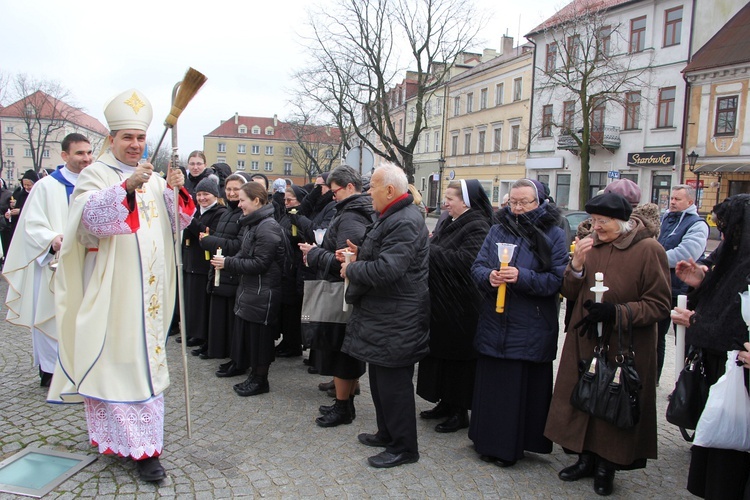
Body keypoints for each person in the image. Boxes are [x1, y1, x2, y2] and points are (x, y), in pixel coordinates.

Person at [47, 88, 195, 483]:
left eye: (140, 138)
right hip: (113, 290)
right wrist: (126, 188)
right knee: (118, 363)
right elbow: (85, 225)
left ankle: (144, 445)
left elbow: (176, 225)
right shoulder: (96, 174)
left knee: (143, 361)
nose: (135, 144)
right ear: (111, 139)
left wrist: (175, 191)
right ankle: (138, 450)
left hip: (149, 291)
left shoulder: (153, 177)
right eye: (127, 137)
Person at [545, 192, 671, 496]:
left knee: (614, 400)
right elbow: (570, 289)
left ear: (622, 221)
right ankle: (584, 456)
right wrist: (575, 265)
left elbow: (659, 304)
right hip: (587, 338)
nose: (596, 227)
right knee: (584, 394)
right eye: (594, 220)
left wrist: (618, 312)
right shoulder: (592, 246)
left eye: (603, 222)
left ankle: (607, 465)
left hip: (625, 343)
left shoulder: (648, 249)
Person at [469, 179, 568, 467]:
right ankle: (486, 440)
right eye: (512, 201)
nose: (517, 207)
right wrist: (489, 277)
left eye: (524, 202)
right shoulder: (498, 228)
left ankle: (511, 448)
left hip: (530, 323)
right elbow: (477, 266)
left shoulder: (553, 233)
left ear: (540, 202)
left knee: (516, 390)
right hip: (494, 319)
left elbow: (557, 280)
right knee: (493, 388)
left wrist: (521, 277)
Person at [340, 163, 429, 468]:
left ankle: (405, 447)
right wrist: (360, 251)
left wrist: (352, 268)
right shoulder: (392, 216)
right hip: (384, 314)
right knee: (380, 382)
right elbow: (383, 255)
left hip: (397, 317)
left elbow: (389, 269)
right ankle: (387, 433)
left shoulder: (404, 220)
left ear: (389, 190)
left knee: (395, 386)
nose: (368, 193)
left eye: (372, 187)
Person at [671, 194, 750, 499]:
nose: (725, 237)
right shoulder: (732, 258)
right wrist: (700, 284)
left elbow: (734, 323)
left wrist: (696, 323)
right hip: (721, 370)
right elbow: (723, 304)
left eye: (729, 230)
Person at [3, 133, 93, 386]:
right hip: (54, 264)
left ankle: (84, 368)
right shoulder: (46, 186)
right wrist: (51, 238)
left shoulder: (98, 184)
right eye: (79, 153)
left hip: (89, 263)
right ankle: (51, 371)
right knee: (51, 314)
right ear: (65, 156)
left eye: (88, 152)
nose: (86, 158)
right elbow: (30, 224)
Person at [299, 165, 375, 427]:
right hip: (344, 291)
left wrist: (314, 252)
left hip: (341, 293)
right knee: (344, 350)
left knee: (343, 351)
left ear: (350, 187)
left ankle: (344, 406)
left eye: (335, 191)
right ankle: (345, 400)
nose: (332, 196)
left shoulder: (352, 215)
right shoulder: (353, 210)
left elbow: (344, 261)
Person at [416, 180, 491, 433]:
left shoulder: (478, 225)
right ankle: (444, 403)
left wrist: (429, 249)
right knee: (442, 356)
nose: (445, 203)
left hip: (462, 304)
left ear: (466, 201)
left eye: (450, 198)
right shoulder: (450, 220)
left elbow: (467, 261)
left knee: (459, 360)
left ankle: (460, 411)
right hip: (443, 301)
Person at [210, 181, 285, 397]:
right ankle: (253, 375)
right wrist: (228, 259)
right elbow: (245, 254)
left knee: (260, 339)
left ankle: (261, 380)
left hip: (264, 291)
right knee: (250, 336)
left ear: (257, 201)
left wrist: (228, 264)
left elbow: (260, 264)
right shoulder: (254, 224)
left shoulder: (267, 226)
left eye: (242, 200)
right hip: (253, 290)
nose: (239, 204)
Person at [656, 185, 708, 384]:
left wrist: (653, 259)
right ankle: (652, 381)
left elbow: (686, 254)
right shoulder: (665, 219)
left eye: (678, 199)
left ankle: (684, 385)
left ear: (690, 202)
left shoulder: (697, 224)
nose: (672, 202)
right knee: (656, 337)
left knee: (684, 342)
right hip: (660, 286)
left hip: (683, 291)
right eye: (672, 198)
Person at [202, 174, 247, 368]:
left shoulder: (243, 215)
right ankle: (216, 348)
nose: (231, 193)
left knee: (230, 316)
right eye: (228, 189)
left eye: (236, 189)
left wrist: (209, 241)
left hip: (233, 271)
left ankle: (231, 354)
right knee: (219, 313)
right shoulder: (227, 212)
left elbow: (237, 244)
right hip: (220, 270)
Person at [183, 177, 227, 358]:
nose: (202, 198)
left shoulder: (219, 212)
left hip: (205, 263)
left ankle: (204, 336)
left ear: (215, 195)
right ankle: (195, 333)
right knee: (193, 301)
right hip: (191, 261)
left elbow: (208, 233)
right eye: (199, 194)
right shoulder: (197, 211)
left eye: (206, 194)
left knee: (203, 304)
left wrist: (191, 220)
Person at [275, 185, 308, 358]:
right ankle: (287, 341)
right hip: (286, 267)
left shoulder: (300, 216)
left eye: (290, 200)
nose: (287, 203)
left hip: (295, 268)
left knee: (293, 309)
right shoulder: (286, 215)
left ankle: (293, 343)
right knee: (286, 308)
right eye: (285, 200)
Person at [5, 169, 39, 243]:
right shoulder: (21, 194)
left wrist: (21, 211)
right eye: (24, 185)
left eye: (29, 185)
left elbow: (37, 210)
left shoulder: (38, 194)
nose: (26, 187)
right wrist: (10, 213)